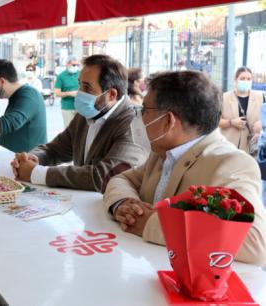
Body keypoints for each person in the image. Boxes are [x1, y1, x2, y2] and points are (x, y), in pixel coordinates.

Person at [103, 71, 266, 266]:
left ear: (168, 121)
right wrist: (124, 204)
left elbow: (255, 243)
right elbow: (122, 179)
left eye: (145, 110)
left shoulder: (231, 163)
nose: (140, 117)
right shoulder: (162, 152)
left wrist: (151, 223)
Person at [11, 55, 150, 192]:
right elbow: (55, 149)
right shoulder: (87, 114)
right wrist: (32, 158)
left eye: (87, 87)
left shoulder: (134, 125)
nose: (79, 93)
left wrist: (37, 173)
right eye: (79, 84)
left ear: (111, 95)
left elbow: (105, 175)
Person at [219, 67, 263, 154]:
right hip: (228, 146)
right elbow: (215, 121)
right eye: (242, 78)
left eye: (248, 79)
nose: (246, 81)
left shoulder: (260, 97)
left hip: (250, 148)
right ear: (235, 80)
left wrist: (260, 126)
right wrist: (231, 122)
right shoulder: (224, 97)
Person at [54, 56, 80, 127]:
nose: (76, 67)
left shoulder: (81, 74)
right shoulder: (61, 76)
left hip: (81, 107)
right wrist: (70, 93)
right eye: (74, 65)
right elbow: (57, 93)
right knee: (70, 130)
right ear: (67, 64)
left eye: (77, 65)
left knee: (81, 131)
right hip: (68, 108)